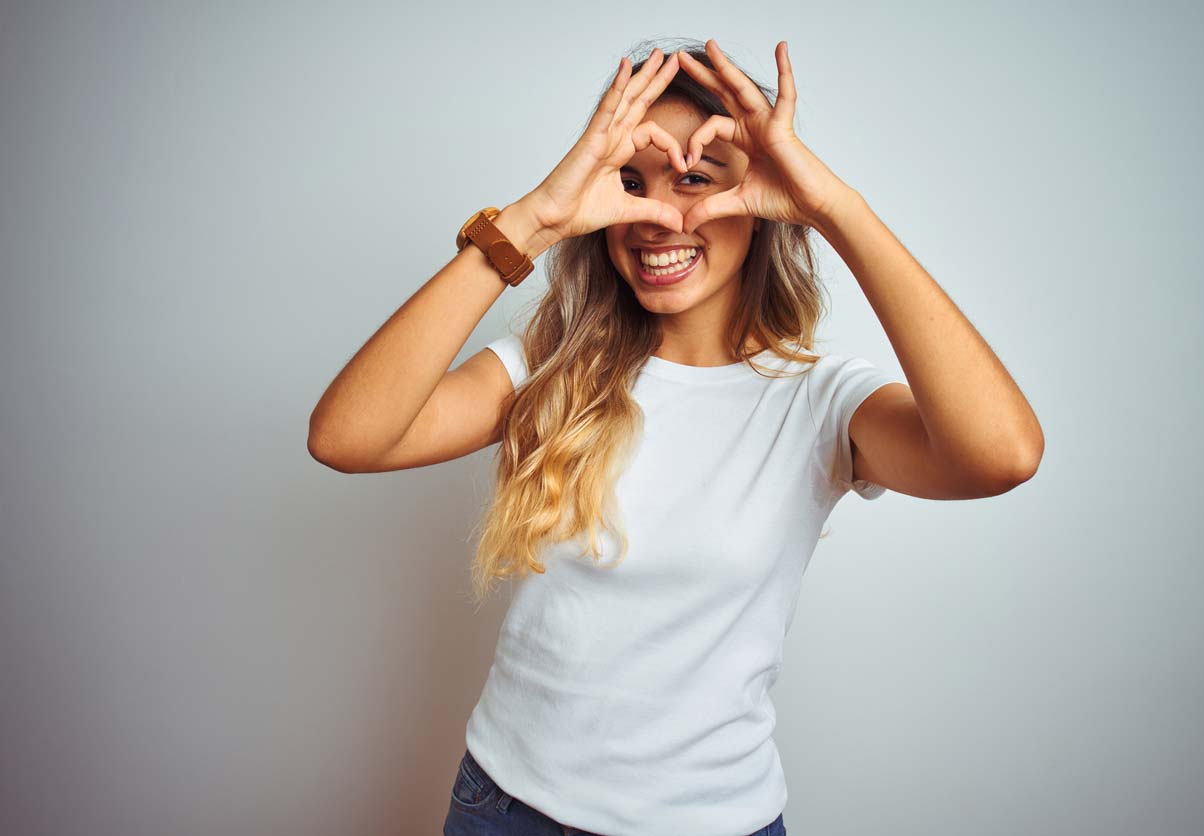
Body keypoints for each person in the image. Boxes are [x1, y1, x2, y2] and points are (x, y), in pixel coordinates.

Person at [308, 37, 1044, 836]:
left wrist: (836, 209)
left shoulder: (821, 401)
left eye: (694, 181)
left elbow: (1001, 455)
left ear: (764, 201)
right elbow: (347, 438)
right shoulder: (546, 366)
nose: (658, 217)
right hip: (503, 810)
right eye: (631, 184)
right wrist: (532, 219)